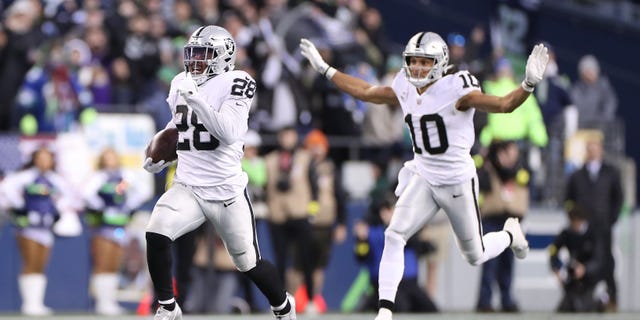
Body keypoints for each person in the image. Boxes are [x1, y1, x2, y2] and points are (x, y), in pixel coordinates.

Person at [300, 32, 549, 320]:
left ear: (440, 63)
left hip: (456, 179)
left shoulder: (457, 89)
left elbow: (504, 105)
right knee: (394, 234)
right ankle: (384, 311)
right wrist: (326, 69)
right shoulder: (405, 85)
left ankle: (509, 234)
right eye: (413, 61)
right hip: (423, 174)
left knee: (475, 254)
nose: (417, 68)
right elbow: (366, 92)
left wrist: (528, 84)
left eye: (424, 61)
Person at [142, 25, 296, 320]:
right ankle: (167, 306)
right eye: (193, 53)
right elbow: (178, 127)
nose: (196, 60)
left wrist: (197, 100)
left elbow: (229, 131)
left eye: (204, 54)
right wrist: (155, 152)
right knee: (156, 234)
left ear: (224, 56)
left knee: (248, 262)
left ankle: (283, 306)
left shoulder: (238, 80)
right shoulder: (180, 83)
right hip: (188, 186)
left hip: (226, 191)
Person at [0, 147, 78, 315]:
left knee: (41, 264)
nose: (44, 161)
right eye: (40, 158)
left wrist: (58, 208)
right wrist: (20, 205)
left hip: (46, 227)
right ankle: (29, 304)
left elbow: (70, 195)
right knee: (30, 262)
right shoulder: (27, 176)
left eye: (47, 158)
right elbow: (6, 187)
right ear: (34, 159)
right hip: (28, 226)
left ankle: (36, 302)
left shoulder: (55, 180)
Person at [83, 147, 152, 315]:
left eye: (113, 157)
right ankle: (102, 302)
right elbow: (86, 194)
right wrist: (101, 207)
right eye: (107, 157)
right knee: (103, 262)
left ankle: (109, 301)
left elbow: (144, 191)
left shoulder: (126, 176)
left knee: (115, 262)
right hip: (103, 225)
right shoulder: (99, 177)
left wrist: (129, 205)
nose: (110, 160)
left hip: (121, 224)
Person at [565, 132, 623, 312]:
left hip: (603, 227)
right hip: (584, 229)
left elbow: (618, 198)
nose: (592, 152)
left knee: (606, 262)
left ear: (601, 150)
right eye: (589, 149)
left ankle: (611, 297)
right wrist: (576, 221)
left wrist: (611, 219)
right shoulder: (577, 175)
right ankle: (581, 299)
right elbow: (569, 200)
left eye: (595, 148)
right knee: (582, 261)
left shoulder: (611, 173)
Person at [475, 141, 529, 312]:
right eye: (509, 152)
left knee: (508, 263)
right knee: (490, 261)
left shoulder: (519, 169)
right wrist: (490, 161)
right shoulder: (488, 167)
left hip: (511, 220)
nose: (513, 155)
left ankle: (506, 299)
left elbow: (522, 178)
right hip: (492, 218)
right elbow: (483, 183)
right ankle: (485, 301)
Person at [549, 204, 605, 312]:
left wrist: (585, 269)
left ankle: (599, 303)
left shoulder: (593, 234)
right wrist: (555, 268)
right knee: (565, 309)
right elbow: (553, 251)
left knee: (586, 308)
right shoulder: (567, 233)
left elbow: (598, 260)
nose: (574, 226)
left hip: (590, 279)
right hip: (573, 278)